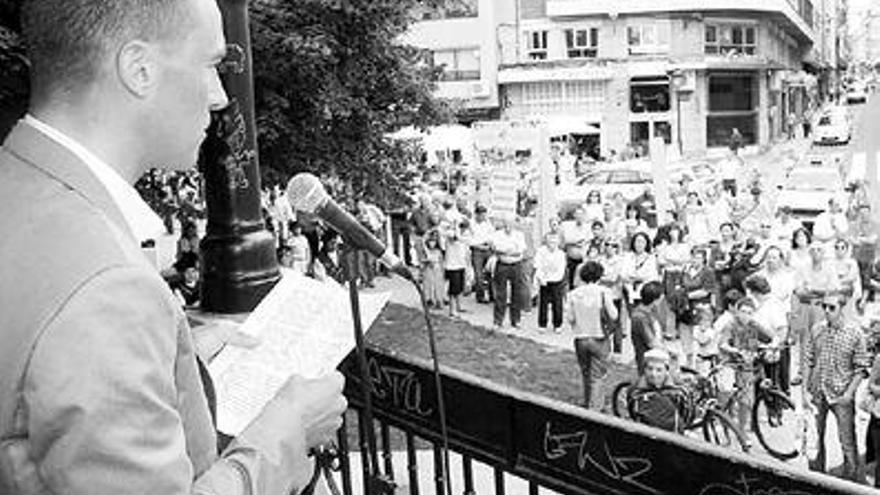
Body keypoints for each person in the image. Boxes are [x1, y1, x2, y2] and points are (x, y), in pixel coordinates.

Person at [0, 1, 347, 493]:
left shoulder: (18, 187)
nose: (221, 96)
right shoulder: (109, 292)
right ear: (139, 69)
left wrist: (174, 359)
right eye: (210, 65)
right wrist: (286, 435)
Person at [803, 293, 870, 482]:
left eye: (832, 307)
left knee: (847, 441)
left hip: (841, 394)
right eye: (824, 306)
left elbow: (861, 367)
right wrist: (805, 392)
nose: (826, 311)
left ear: (842, 309)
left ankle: (851, 479)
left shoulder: (854, 333)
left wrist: (848, 394)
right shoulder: (817, 329)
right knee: (815, 438)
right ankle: (816, 478)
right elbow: (808, 359)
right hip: (818, 392)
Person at [718, 297, 775, 434]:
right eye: (743, 311)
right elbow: (723, 344)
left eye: (750, 312)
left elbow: (772, 337)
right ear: (737, 312)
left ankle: (742, 430)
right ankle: (723, 420)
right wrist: (736, 351)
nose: (746, 315)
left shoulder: (754, 325)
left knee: (747, 400)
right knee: (726, 390)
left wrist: (772, 346)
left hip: (747, 366)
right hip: (730, 363)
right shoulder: (730, 325)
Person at [568, 261, 619, 409]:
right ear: (599, 275)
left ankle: (587, 401)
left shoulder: (573, 294)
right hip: (599, 337)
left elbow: (570, 318)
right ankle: (595, 408)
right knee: (598, 376)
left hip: (580, 338)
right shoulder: (604, 292)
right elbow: (614, 315)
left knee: (586, 372)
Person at [627, 349, 693, 432]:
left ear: (666, 371)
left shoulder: (678, 391)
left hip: (673, 437)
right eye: (650, 369)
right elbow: (632, 411)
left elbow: (687, 415)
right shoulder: (635, 391)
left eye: (659, 370)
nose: (654, 374)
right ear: (644, 369)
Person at [491, 214, 527, 330]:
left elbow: (520, 250)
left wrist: (507, 250)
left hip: (516, 265)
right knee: (500, 293)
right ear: (503, 224)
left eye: (510, 224)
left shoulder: (519, 235)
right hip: (502, 265)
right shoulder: (497, 234)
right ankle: (498, 320)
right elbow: (497, 248)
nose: (508, 226)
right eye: (506, 224)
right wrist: (510, 249)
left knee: (517, 293)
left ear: (514, 224)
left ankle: (516, 320)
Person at [631, 281, 666, 374]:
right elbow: (651, 342)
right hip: (649, 360)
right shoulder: (640, 317)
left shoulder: (650, 311)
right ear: (655, 300)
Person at [535, 232, 567, 333]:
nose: (552, 243)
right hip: (544, 280)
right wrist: (542, 278)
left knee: (557, 303)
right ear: (546, 241)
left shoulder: (561, 254)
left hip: (556, 280)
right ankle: (542, 324)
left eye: (554, 241)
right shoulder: (541, 251)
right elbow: (538, 265)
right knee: (543, 303)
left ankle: (557, 324)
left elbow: (561, 270)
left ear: (558, 242)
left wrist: (553, 279)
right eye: (550, 241)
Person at [469, 204, 496, 303]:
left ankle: (492, 294)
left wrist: (490, 245)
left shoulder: (488, 224)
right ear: (476, 214)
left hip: (487, 248)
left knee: (490, 273)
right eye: (481, 215)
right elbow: (469, 240)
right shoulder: (471, 224)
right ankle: (480, 296)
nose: (483, 217)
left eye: (484, 215)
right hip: (477, 249)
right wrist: (479, 246)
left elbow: (492, 235)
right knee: (479, 274)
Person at [443, 221, 470, 317]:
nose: (464, 230)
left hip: (461, 265)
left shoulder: (465, 236)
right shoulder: (450, 234)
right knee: (453, 289)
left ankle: (459, 306)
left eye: (465, 228)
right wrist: (454, 227)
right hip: (452, 265)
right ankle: (452, 310)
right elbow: (453, 237)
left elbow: (466, 251)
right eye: (462, 227)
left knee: (459, 288)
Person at [561, 206, 591, 289]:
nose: (579, 216)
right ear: (574, 215)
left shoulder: (588, 227)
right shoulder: (568, 226)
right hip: (572, 259)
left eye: (581, 214)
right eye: (577, 214)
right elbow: (565, 240)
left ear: (584, 215)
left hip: (584, 259)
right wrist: (574, 242)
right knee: (572, 282)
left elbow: (589, 240)